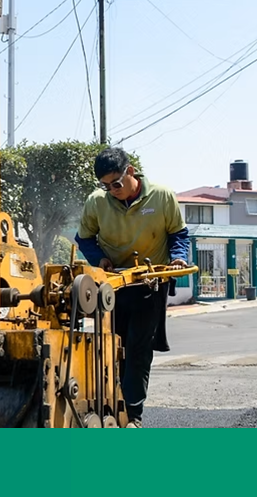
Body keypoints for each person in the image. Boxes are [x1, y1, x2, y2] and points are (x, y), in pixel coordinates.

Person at [75, 146, 190, 428]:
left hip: (150, 282)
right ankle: (110, 406)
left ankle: (133, 414)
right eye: (105, 185)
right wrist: (99, 259)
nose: (112, 190)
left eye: (116, 183)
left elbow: (179, 234)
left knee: (139, 347)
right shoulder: (97, 202)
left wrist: (178, 257)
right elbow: (85, 239)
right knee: (114, 347)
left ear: (130, 171)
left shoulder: (161, 196)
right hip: (114, 285)